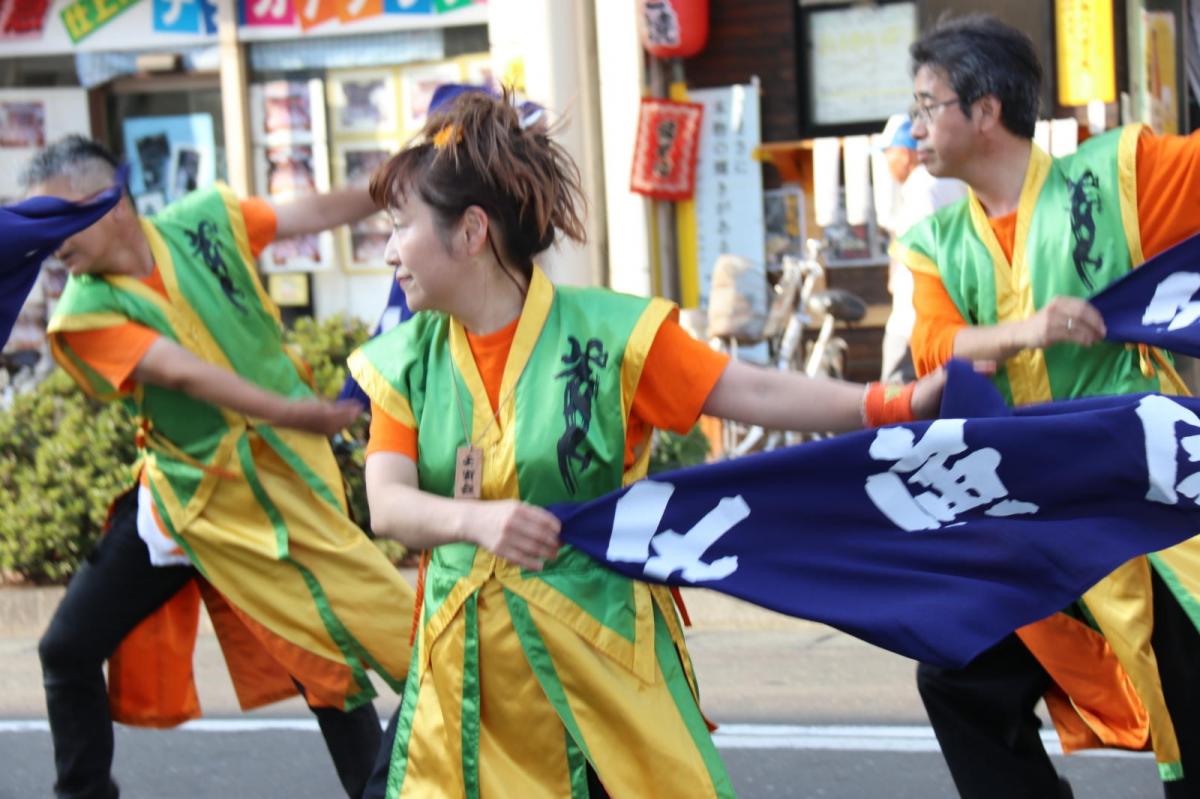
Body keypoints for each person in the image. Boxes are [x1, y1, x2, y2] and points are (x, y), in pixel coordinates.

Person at [348, 89, 948, 798]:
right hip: (462, 672)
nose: (388, 250)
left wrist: (891, 402)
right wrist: (477, 519)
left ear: (472, 231)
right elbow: (387, 504)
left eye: (402, 225)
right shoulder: (405, 359)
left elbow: (747, 391)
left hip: (595, 659)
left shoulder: (611, 336)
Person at [27, 135, 415, 799]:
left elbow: (311, 212)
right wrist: (301, 412)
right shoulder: (82, 312)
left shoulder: (202, 222)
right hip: (184, 499)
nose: (51, 240)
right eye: (39, 224)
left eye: (61, 217)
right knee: (65, 647)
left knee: (324, 660)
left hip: (276, 490)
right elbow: (186, 374)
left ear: (112, 199)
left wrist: (408, 183)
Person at [889, 15, 1200, 799]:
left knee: (1189, 703)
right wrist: (1027, 328)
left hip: (1144, 500)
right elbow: (933, 345)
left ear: (984, 111)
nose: (912, 127)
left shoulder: (1120, 178)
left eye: (928, 106)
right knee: (960, 672)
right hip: (1030, 512)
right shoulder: (934, 241)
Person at [877, 114, 966, 382]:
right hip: (948, 323)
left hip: (913, 323)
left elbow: (926, 254)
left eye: (888, 153)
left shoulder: (922, 187)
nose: (887, 163)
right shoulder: (952, 181)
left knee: (896, 404)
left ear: (905, 152)